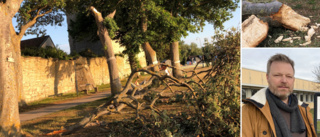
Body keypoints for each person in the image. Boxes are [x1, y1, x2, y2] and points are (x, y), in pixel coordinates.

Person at [242, 54, 317, 137]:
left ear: (293, 80)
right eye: (277, 75)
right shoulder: (248, 111)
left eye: (289, 76)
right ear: (267, 77)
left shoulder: (304, 110)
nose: (284, 80)